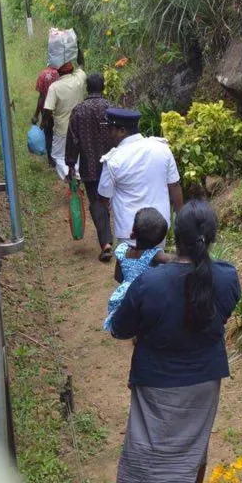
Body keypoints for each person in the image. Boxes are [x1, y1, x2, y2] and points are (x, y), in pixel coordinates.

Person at [110, 200, 241, 483]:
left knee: (167, 459)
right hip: (205, 381)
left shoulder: (149, 283)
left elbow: (121, 330)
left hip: (157, 383)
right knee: (194, 443)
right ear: (210, 238)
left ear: (174, 239)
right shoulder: (227, 277)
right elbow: (222, 315)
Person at [97, 107, 184, 244]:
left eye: (110, 129)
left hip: (130, 233)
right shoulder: (162, 148)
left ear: (122, 131)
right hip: (159, 228)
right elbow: (175, 185)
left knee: (128, 264)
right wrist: (181, 220)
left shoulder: (113, 160)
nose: (108, 133)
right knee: (157, 262)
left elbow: (103, 198)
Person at [65, 72, 113, 261]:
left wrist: (70, 164)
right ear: (103, 86)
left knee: (96, 202)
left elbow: (73, 140)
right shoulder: (110, 108)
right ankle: (122, 241)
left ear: (87, 87)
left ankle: (106, 242)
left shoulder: (79, 111)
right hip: (112, 165)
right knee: (112, 202)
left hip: (90, 167)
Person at [104, 207, 175, 330]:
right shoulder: (155, 255)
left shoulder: (122, 250)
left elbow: (118, 277)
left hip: (126, 296)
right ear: (160, 239)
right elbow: (172, 260)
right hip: (146, 294)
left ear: (133, 232)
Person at [41, 62, 87, 180]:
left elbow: (47, 110)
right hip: (80, 127)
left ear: (58, 71)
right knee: (77, 155)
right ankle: (77, 176)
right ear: (72, 69)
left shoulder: (54, 87)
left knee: (57, 156)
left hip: (62, 129)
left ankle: (68, 175)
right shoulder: (79, 79)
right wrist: (76, 49)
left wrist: (43, 123)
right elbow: (81, 65)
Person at [32, 64, 60, 166]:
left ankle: (51, 159)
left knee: (48, 134)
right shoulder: (63, 74)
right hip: (62, 110)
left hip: (47, 110)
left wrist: (36, 114)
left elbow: (42, 97)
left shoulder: (43, 75)